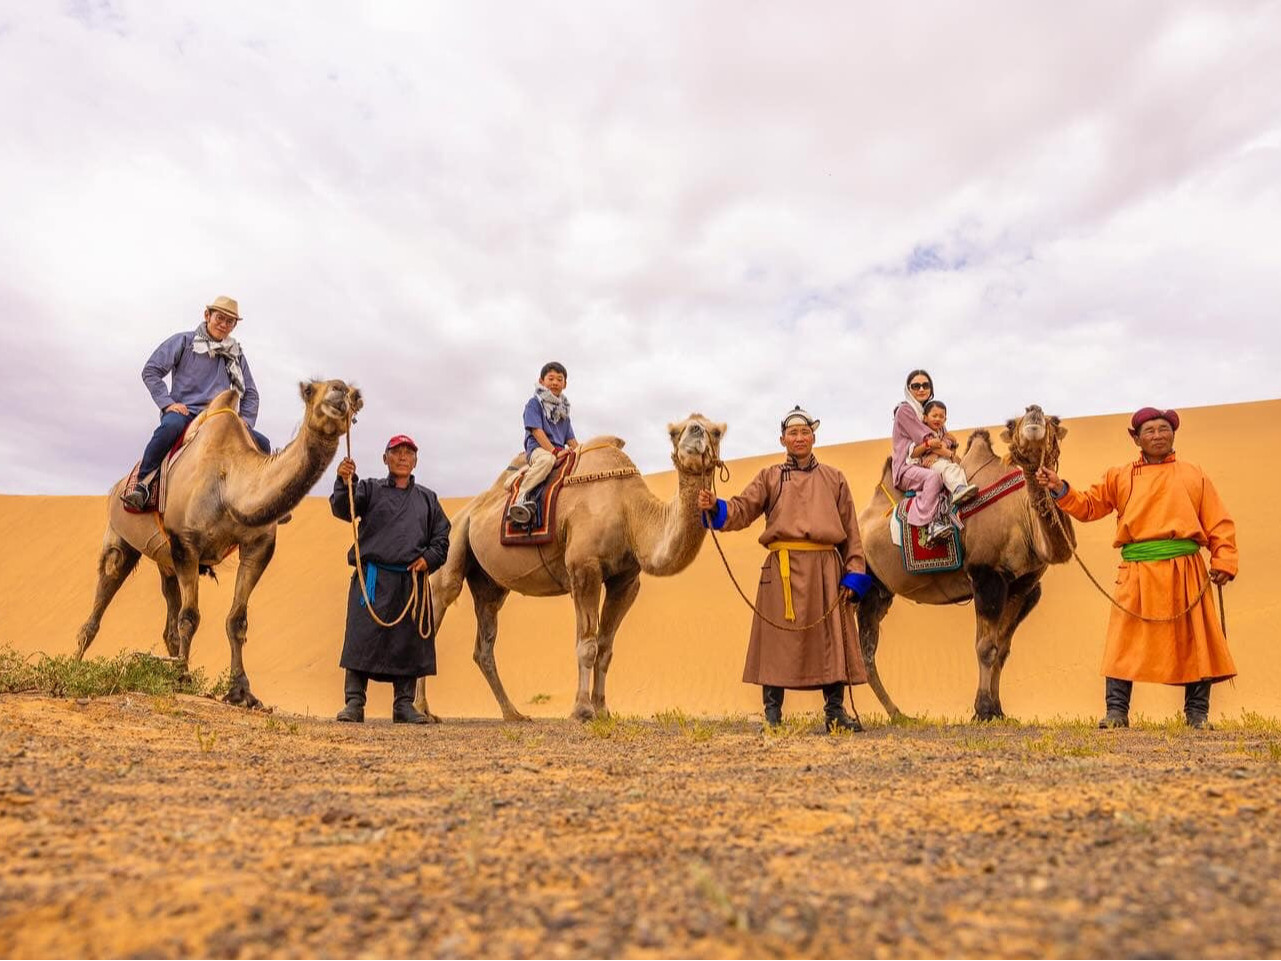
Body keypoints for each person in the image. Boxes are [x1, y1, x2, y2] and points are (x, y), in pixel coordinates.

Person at [1035, 407, 1237, 730]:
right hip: (1137, 571)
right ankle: (1116, 712)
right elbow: (1089, 506)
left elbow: (1219, 523)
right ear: (1136, 438)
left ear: (1173, 434)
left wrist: (1224, 560)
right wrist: (1060, 488)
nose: (1158, 435)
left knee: (1196, 641)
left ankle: (1197, 716)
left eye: (1163, 429)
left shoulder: (1193, 474)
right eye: (1150, 431)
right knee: (1122, 642)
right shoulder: (1119, 476)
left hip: (1185, 569)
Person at [696, 406, 873, 732]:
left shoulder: (835, 478)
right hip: (782, 569)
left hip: (826, 569)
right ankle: (772, 717)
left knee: (831, 641)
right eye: (793, 433)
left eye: (805, 432)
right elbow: (741, 509)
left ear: (813, 437)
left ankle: (835, 713)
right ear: (783, 439)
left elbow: (852, 532)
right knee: (776, 642)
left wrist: (854, 571)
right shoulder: (769, 476)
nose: (799, 437)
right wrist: (715, 508)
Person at [330, 434, 451, 724]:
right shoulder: (369, 489)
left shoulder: (427, 498)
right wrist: (344, 479)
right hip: (371, 580)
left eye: (408, 453)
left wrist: (429, 559)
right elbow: (344, 508)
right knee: (362, 638)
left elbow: (442, 537)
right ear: (385, 458)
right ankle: (354, 704)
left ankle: (404, 705)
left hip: (410, 582)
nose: (402, 457)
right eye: (396, 452)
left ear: (415, 460)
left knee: (407, 642)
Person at [122, 296, 271, 509]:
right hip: (186, 412)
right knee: (169, 427)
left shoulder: (235, 355)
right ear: (207, 315)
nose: (224, 324)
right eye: (220, 317)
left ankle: (265, 500)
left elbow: (251, 393)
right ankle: (143, 485)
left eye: (230, 321)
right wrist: (167, 403)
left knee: (262, 443)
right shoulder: (184, 342)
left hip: (220, 416)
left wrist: (246, 420)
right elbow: (151, 371)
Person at [891, 369, 976, 544]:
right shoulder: (905, 411)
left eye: (925, 385)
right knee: (934, 478)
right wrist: (946, 452)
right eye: (916, 386)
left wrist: (943, 446)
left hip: (927, 462)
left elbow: (945, 438)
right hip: (907, 467)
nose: (921, 389)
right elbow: (929, 439)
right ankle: (932, 524)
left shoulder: (930, 413)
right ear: (909, 389)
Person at [507, 361, 579, 525]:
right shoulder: (534, 404)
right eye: (551, 378)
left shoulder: (564, 413)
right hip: (539, 450)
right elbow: (536, 431)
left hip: (559, 451)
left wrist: (584, 453)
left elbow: (572, 441)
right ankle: (520, 500)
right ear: (541, 381)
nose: (555, 383)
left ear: (565, 384)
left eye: (559, 379)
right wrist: (554, 452)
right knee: (547, 460)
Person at [910, 400, 977, 502]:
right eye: (934, 415)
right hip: (928, 463)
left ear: (945, 419)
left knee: (960, 467)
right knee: (949, 468)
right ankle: (958, 489)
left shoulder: (941, 430)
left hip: (939, 459)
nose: (938, 419)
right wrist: (947, 453)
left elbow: (950, 439)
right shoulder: (924, 432)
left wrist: (936, 453)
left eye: (941, 416)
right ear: (925, 417)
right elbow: (935, 446)